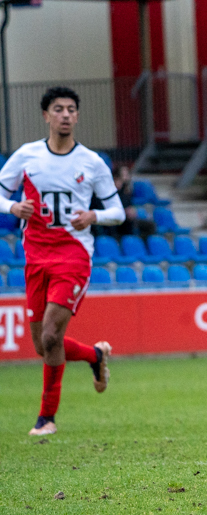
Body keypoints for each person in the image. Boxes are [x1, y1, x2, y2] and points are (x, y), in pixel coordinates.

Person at [0, 86, 122, 435]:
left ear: (77, 116)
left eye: (71, 109)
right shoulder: (27, 156)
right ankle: (95, 356)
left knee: (52, 333)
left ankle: (46, 418)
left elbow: (116, 211)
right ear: (46, 116)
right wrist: (12, 206)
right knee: (43, 345)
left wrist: (93, 217)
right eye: (58, 109)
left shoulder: (91, 161)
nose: (66, 114)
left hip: (73, 256)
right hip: (35, 257)